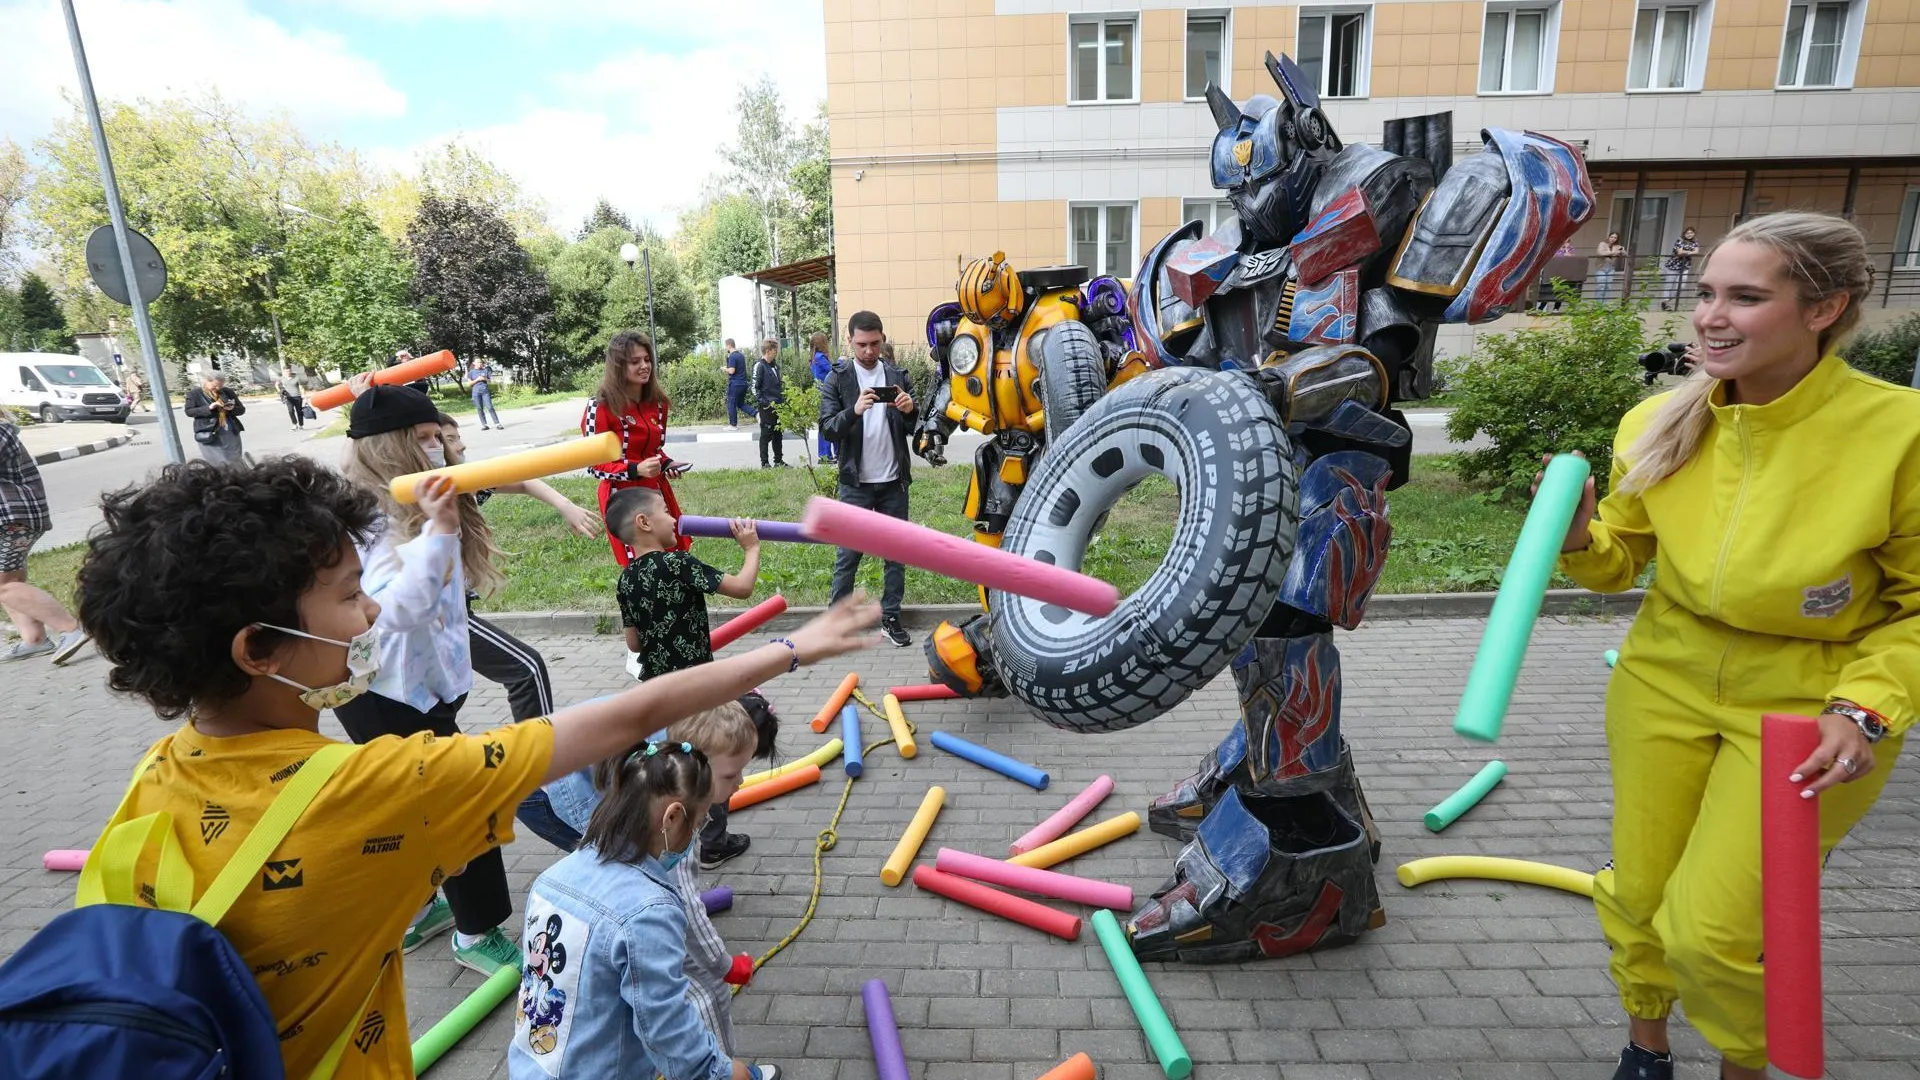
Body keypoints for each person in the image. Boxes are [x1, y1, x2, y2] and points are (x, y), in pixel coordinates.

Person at [70, 453, 876, 1079]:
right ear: (258, 648)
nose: (376, 611)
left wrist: (437, 530)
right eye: (352, 598)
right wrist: (794, 646)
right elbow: (633, 713)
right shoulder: (381, 788)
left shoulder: (158, 772)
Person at [1544, 212, 1915, 1080]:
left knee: (1713, 931)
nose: (1710, 314)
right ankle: (1646, 1051)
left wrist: (1866, 710)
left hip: (1807, 709)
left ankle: (1746, 1063)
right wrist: (1573, 538)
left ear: (1824, 308)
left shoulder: (1900, 433)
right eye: (1707, 293)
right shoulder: (1657, 423)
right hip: (1661, 681)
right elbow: (1618, 561)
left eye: (1746, 297)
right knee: (1639, 893)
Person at [337, 379, 520, 975]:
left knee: (408, 803)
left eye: (439, 436)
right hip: (381, 690)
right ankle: (476, 931)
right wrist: (440, 531)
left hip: (420, 689)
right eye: (423, 439)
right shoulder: (363, 520)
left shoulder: (414, 506)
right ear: (390, 449)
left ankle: (418, 910)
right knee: (459, 801)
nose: (438, 449)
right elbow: (396, 611)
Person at [507, 740, 780, 1080]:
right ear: (673, 817)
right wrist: (723, 1073)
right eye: (698, 824)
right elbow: (666, 1030)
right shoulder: (648, 911)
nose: (696, 836)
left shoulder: (550, 880)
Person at [438, 411, 600, 851]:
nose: (462, 447)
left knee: (444, 715)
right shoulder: (428, 489)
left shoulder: (462, 483)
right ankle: (544, 772)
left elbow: (526, 477)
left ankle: (530, 775)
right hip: (438, 623)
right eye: (451, 439)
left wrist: (566, 505)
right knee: (526, 667)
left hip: (449, 619)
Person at [609, 485, 763, 867]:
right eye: (665, 510)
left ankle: (671, 840)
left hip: (660, 694)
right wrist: (751, 548)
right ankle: (713, 842)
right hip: (697, 690)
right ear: (644, 522)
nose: (674, 516)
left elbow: (633, 642)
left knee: (677, 760)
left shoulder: (626, 580)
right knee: (710, 757)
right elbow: (742, 589)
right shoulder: (679, 564)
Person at [819, 310, 916, 648]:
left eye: (875, 344)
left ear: (882, 339)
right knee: (849, 554)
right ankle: (836, 621)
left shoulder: (897, 375)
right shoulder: (839, 378)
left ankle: (891, 617)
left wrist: (910, 411)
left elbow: (915, 428)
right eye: (862, 345)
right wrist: (854, 410)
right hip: (855, 483)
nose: (869, 352)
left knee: (896, 554)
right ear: (850, 341)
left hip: (893, 481)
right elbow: (828, 429)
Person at [583, 330, 691, 568]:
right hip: (622, 497)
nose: (644, 366)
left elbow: (654, 450)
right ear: (619, 366)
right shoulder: (599, 406)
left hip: (656, 491)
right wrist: (634, 469)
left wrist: (665, 464)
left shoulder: (659, 403)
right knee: (641, 564)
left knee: (672, 553)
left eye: (647, 359)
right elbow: (593, 465)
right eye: (635, 361)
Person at [0, 413, 89, 664]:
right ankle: (34, 639)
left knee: (5, 585)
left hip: (10, 517)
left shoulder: (2, 431)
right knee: (12, 581)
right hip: (14, 517)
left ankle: (71, 629)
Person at [183, 372, 246, 466]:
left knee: (235, 459)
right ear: (206, 381)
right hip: (209, 431)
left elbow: (241, 410)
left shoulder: (227, 391)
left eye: (221, 385)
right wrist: (209, 407)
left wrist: (231, 409)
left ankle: (237, 477)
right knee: (216, 462)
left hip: (230, 430)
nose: (218, 388)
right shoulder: (195, 393)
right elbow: (189, 411)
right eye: (215, 386)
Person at [752, 338, 786, 468]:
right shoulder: (759, 366)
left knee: (778, 434)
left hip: (778, 405)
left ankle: (778, 461)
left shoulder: (775, 365)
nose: (776, 353)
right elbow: (755, 388)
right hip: (766, 406)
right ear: (768, 351)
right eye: (774, 350)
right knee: (766, 434)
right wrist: (764, 402)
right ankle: (765, 463)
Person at [809, 331, 835, 463]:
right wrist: (842, 361)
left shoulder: (814, 357)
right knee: (827, 425)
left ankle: (826, 455)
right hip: (826, 393)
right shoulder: (820, 358)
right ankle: (825, 455)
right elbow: (833, 370)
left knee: (825, 425)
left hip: (820, 392)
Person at [1661, 226, 1700, 310]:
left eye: (1691, 233)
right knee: (1669, 285)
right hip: (1673, 266)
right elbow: (1680, 252)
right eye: (1687, 233)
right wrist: (1690, 252)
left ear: (1694, 234)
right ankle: (1666, 302)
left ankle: (1666, 301)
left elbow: (1696, 252)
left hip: (1684, 267)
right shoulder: (1680, 240)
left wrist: (1686, 253)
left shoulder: (1694, 242)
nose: (1689, 235)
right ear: (1684, 234)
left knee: (1681, 285)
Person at [722, 338, 755, 428]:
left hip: (735, 384)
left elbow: (732, 371)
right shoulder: (741, 355)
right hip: (743, 383)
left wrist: (725, 369)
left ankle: (733, 425)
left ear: (729, 345)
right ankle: (757, 414)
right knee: (740, 403)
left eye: (725, 346)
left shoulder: (732, 356)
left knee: (731, 403)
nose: (725, 348)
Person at [1591, 231, 1627, 302]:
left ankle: (1605, 306)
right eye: (1612, 237)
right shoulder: (1603, 244)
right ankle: (1598, 306)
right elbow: (1600, 253)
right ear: (1609, 237)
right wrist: (1613, 253)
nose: (1613, 239)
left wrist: (1622, 250)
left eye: (1615, 238)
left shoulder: (1617, 247)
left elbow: (1626, 254)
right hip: (1601, 268)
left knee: (1608, 287)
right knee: (1601, 286)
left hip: (1610, 269)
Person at [468, 359, 503, 430]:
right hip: (476, 392)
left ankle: (497, 424)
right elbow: (469, 384)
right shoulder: (471, 372)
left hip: (485, 392)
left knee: (490, 407)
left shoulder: (485, 370)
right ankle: (484, 425)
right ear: (474, 363)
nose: (480, 363)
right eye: (478, 362)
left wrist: (485, 378)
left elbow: (490, 380)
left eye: (481, 362)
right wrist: (477, 379)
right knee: (479, 408)